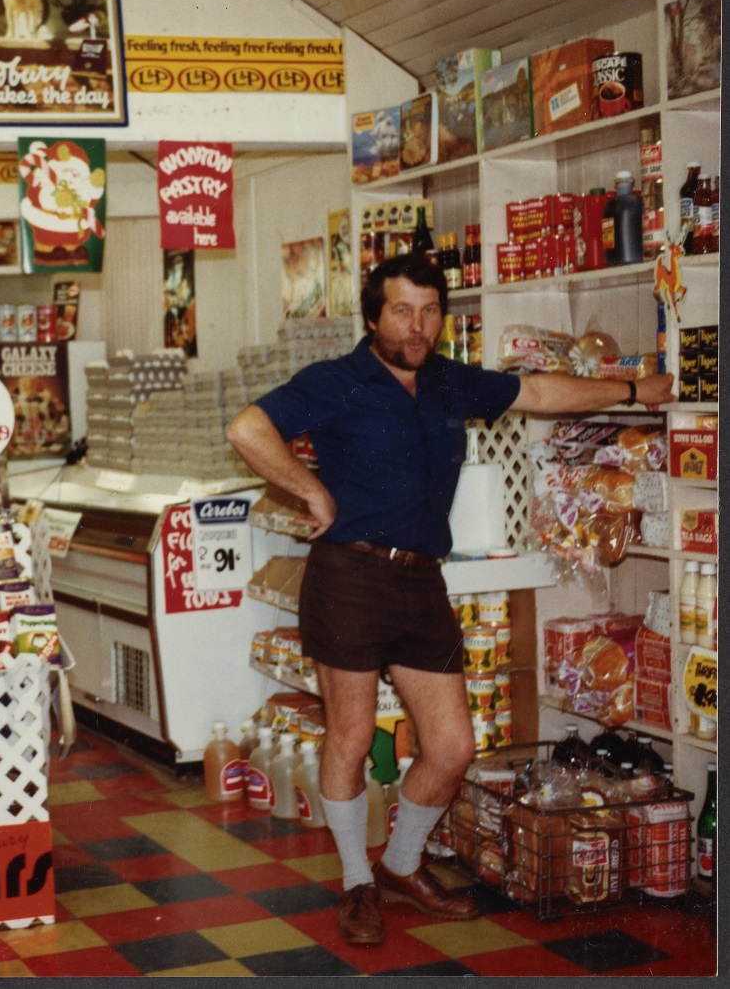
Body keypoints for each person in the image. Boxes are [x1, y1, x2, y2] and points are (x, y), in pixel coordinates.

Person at [225, 253, 674, 948]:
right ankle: (356, 884)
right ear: (372, 316)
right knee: (348, 736)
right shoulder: (336, 382)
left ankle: (402, 866)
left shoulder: (446, 383)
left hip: (419, 580)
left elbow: (539, 393)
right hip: (349, 575)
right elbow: (248, 429)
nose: (418, 325)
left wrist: (634, 390)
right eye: (402, 310)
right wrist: (309, 490)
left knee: (453, 745)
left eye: (430, 311)